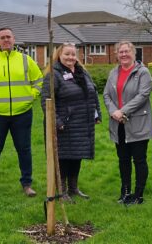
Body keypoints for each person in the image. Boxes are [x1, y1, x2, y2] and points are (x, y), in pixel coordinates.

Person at [0, 27, 43, 198]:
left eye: (8, 37)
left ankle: (27, 184)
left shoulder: (26, 60)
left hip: (22, 113)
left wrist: (31, 97)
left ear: (14, 39)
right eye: (2, 37)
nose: (6, 40)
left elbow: (39, 80)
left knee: (24, 149)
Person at [41, 43, 101, 202]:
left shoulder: (82, 72)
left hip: (82, 123)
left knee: (77, 156)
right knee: (63, 158)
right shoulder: (53, 75)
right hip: (64, 125)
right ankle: (61, 191)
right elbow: (46, 101)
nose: (70, 57)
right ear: (59, 55)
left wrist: (96, 114)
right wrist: (57, 121)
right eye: (67, 54)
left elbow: (92, 93)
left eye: (73, 54)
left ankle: (74, 188)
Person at [103, 41, 152, 205]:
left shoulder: (143, 73)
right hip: (118, 123)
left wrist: (122, 111)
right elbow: (106, 95)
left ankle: (138, 195)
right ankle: (125, 192)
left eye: (127, 51)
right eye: (120, 52)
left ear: (134, 53)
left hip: (138, 123)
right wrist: (113, 111)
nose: (123, 54)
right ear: (117, 54)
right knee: (123, 159)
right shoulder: (113, 72)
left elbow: (143, 96)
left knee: (139, 159)